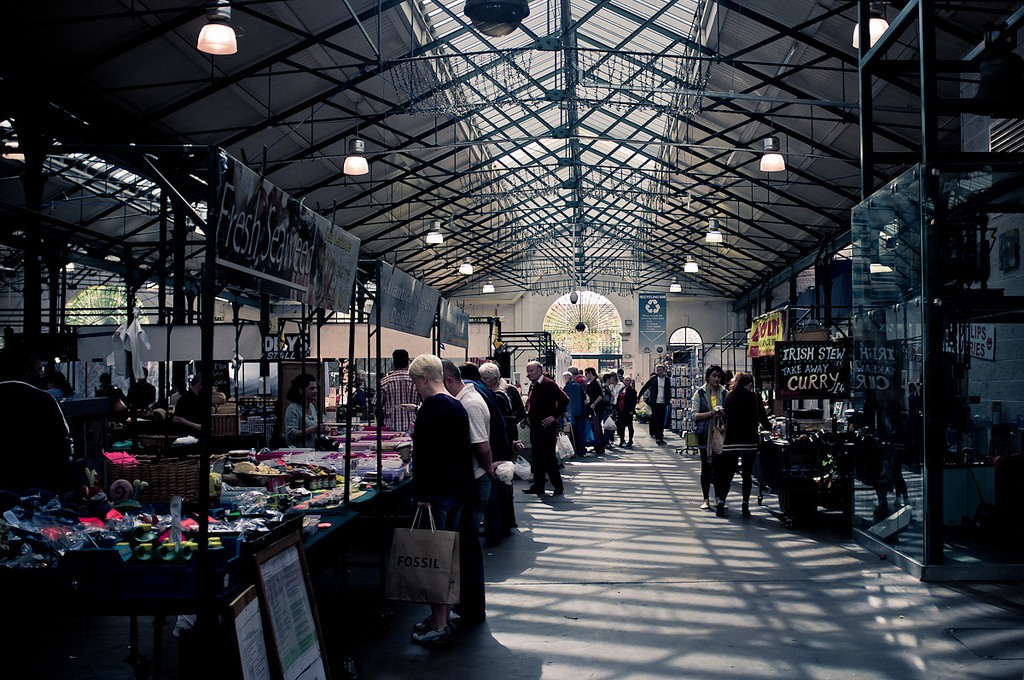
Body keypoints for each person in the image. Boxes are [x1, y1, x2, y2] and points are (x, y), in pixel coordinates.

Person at [407, 354, 475, 645]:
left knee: (435, 559)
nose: (416, 390)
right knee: (448, 556)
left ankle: (439, 623)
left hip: (438, 494)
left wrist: (422, 495)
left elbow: (425, 455)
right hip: (458, 488)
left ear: (423, 379)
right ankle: (443, 616)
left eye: (415, 383)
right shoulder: (455, 405)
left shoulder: (431, 408)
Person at [0, 350, 73, 495]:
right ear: (26, 370)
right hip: (39, 493)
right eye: (39, 369)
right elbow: (63, 448)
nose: (42, 375)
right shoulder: (44, 400)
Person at [714, 372, 771, 518]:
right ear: (749, 383)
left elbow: (726, 416)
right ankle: (745, 506)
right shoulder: (754, 397)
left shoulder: (729, 397)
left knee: (728, 474)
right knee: (747, 475)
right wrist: (770, 428)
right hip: (748, 441)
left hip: (731, 440)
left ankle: (721, 503)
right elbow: (762, 418)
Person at [479, 362, 523, 538]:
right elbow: (520, 414)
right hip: (507, 442)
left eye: (485, 379)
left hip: (501, 444)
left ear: (494, 379)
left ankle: (499, 524)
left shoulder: (495, 396)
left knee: (499, 484)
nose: (482, 382)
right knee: (505, 483)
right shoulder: (508, 392)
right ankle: (506, 521)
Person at [523, 361, 569, 495]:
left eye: (531, 371)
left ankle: (557, 486)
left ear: (539, 371)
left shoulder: (549, 384)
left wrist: (554, 416)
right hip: (536, 427)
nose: (528, 374)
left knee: (549, 457)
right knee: (536, 457)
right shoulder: (534, 386)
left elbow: (564, 399)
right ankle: (539, 485)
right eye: (528, 371)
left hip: (546, 428)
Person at [692, 365, 726, 510]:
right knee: (706, 467)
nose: (717, 379)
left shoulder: (724, 393)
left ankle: (718, 498)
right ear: (707, 377)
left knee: (719, 468)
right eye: (714, 376)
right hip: (705, 434)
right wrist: (712, 413)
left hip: (720, 434)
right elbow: (694, 415)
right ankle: (705, 498)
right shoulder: (699, 394)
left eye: (718, 376)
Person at [378, 349, 421, 433]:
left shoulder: (384, 382)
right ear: (408, 363)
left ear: (393, 363)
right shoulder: (416, 381)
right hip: (414, 427)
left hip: (390, 427)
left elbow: (377, 407)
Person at [284, 373, 327, 447]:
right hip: (299, 452)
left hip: (312, 452)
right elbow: (291, 434)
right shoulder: (293, 409)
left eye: (316, 388)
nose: (316, 391)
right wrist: (312, 429)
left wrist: (321, 430)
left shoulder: (311, 407)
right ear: (301, 390)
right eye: (312, 388)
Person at [637, 363, 671, 445]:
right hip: (655, 402)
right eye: (658, 370)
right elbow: (645, 387)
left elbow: (671, 390)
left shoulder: (667, 380)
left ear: (664, 371)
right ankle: (658, 438)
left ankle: (660, 436)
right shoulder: (653, 379)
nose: (660, 372)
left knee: (662, 420)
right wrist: (639, 396)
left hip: (664, 402)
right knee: (656, 420)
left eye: (661, 370)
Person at [562, 370, 588, 457]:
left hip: (571, 412)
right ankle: (582, 450)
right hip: (580, 411)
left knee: (572, 433)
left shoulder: (565, 388)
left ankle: (574, 450)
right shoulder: (578, 386)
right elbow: (584, 397)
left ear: (566, 379)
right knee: (580, 431)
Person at [584, 367, 605, 455]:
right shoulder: (590, 383)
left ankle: (600, 446)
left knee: (597, 425)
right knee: (595, 425)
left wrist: (594, 403)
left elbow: (600, 395)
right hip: (592, 407)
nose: (586, 375)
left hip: (597, 408)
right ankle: (597, 445)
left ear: (590, 373)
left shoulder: (596, 383)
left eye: (586, 373)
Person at [616, 376, 638, 447]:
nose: (626, 382)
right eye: (625, 381)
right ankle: (622, 440)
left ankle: (630, 440)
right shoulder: (622, 389)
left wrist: (632, 409)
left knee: (629, 426)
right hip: (621, 410)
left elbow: (633, 401)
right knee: (621, 426)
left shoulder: (632, 391)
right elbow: (618, 399)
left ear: (630, 382)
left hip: (628, 411)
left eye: (628, 381)